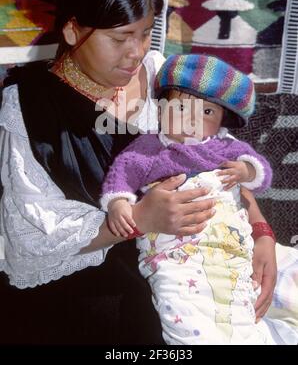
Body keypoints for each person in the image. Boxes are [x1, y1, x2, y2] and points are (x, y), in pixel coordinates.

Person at [0, 0, 289, 344]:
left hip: (196, 266)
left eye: (146, 32)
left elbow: (217, 155)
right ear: (72, 29)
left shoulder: (162, 75)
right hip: (92, 290)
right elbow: (25, 240)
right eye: (120, 38)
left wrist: (260, 232)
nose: (136, 53)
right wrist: (138, 219)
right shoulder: (28, 106)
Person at [101, 54, 298, 344]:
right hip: (175, 251)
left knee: (237, 303)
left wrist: (246, 170)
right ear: (161, 108)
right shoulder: (149, 148)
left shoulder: (226, 146)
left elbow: (262, 173)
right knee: (182, 308)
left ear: (220, 122)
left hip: (228, 245)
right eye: (181, 107)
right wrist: (118, 203)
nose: (191, 119)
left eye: (207, 113)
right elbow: (122, 175)